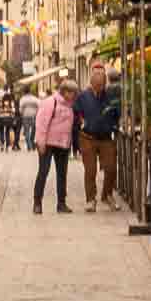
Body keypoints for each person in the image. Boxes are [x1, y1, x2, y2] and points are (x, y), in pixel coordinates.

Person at [73, 62, 122, 212]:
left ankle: (106, 195)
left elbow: (116, 112)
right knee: (90, 170)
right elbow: (76, 113)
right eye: (97, 85)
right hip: (87, 137)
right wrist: (82, 122)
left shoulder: (110, 95)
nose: (100, 88)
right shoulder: (82, 96)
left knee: (111, 168)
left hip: (106, 137)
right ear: (92, 83)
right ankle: (90, 199)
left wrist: (115, 123)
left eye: (102, 85)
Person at [32, 81, 77, 216]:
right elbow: (41, 122)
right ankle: (37, 203)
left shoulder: (70, 106)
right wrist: (41, 142)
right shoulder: (51, 102)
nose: (73, 95)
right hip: (48, 143)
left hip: (63, 144)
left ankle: (61, 203)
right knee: (43, 172)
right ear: (64, 92)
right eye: (71, 93)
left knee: (62, 174)